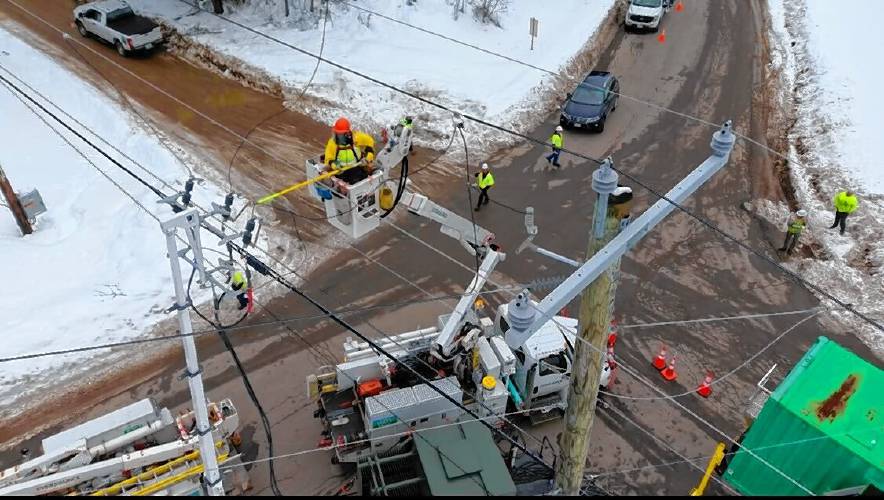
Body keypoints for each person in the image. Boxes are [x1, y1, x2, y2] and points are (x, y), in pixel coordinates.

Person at [323, 117, 376, 185]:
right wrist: (334, 164)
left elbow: (370, 141)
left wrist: (369, 155)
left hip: (357, 166)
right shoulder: (332, 143)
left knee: (358, 178)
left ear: (347, 133)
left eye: (341, 134)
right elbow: (328, 158)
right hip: (340, 171)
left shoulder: (356, 138)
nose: (338, 136)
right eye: (337, 133)